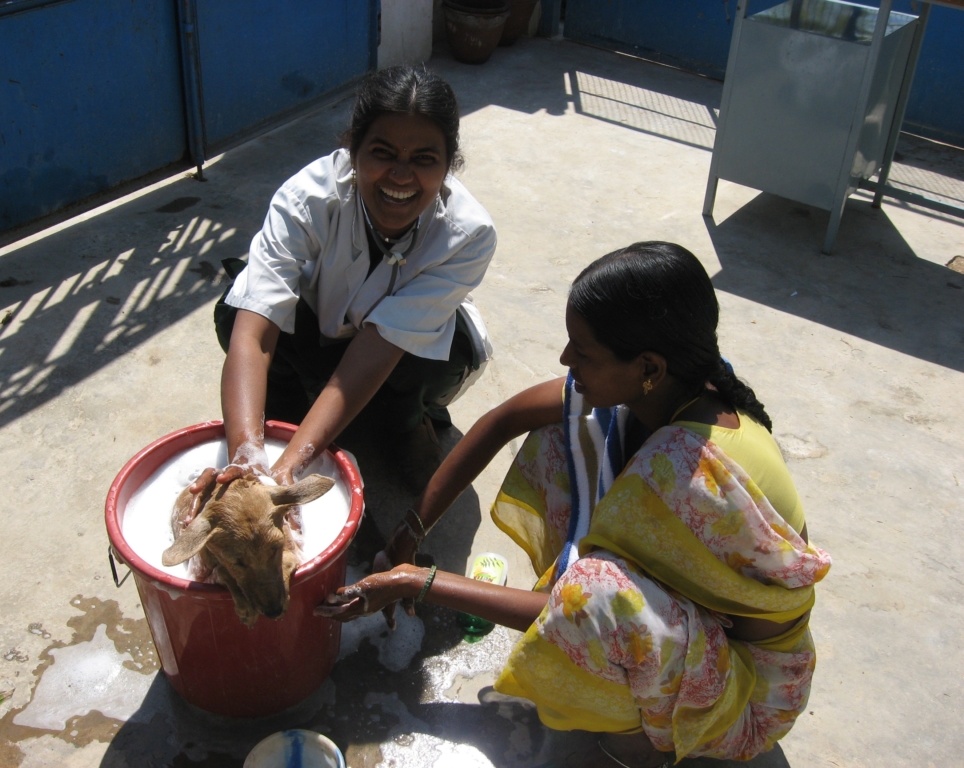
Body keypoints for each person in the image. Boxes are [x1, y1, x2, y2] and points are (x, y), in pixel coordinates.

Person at [315, 242, 831, 767]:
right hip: (703, 632)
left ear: (649, 366)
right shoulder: (684, 384)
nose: (566, 359)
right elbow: (502, 420)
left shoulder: (685, 475)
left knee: (591, 593)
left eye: (583, 352)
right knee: (567, 437)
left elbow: (583, 609)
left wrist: (414, 581)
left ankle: (642, 745)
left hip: (750, 696)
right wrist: (410, 529)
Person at [196, 65, 496, 497]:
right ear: (353, 149)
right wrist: (247, 455)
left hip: (400, 350)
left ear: (449, 164)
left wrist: (293, 463)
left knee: (431, 359)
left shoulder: (469, 234)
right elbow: (255, 335)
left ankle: (407, 425)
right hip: (322, 326)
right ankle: (285, 414)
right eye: (382, 153)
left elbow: (382, 346)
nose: (400, 176)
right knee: (236, 312)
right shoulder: (306, 199)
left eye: (424, 159)